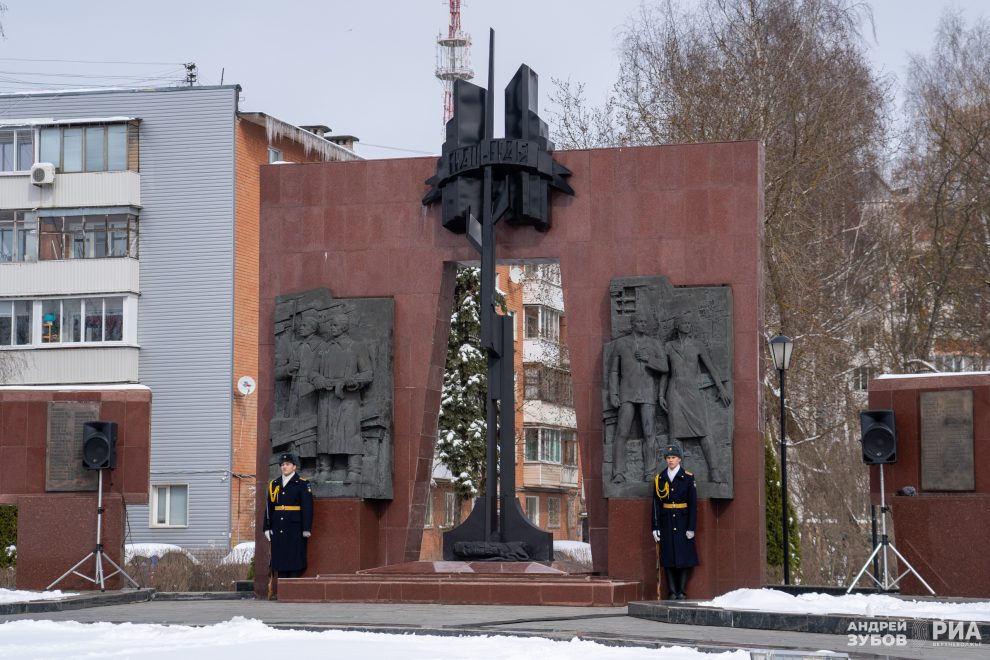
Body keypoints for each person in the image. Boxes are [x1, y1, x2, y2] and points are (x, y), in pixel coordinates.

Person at [659, 316, 731, 483]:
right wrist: (661, 395)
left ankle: (714, 471)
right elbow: (665, 372)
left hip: (692, 392)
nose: (688, 325)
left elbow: (711, 368)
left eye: (689, 322)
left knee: (704, 431)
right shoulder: (669, 346)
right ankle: (675, 474)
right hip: (674, 392)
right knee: (675, 435)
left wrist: (721, 388)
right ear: (677, 326)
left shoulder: (697, 345)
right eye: (684, 322)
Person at [312, 309, 374, 483]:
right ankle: (324, 470)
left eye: (335, 325)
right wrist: (317, 380)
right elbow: (312, 373)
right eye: (331, 325)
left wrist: (350, 382)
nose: (331, 328)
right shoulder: (324, 349)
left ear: (344, 327)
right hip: (325, 398)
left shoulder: (356, 347)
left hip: (347, 398)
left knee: (349, 432)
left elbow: (368, 373)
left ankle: (354, 471)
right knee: (325, 432)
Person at [608, 312, 668, 483]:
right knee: (622, 432)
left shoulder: (653, 344)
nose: (643, 324)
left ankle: (649, 472)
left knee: (650, 434)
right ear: (633, 324)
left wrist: (649, 360)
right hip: (627, 393)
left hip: (647, 393)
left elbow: (665, 367)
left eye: (644, 321)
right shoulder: (621, 343)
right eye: (640, 321)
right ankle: (618, 472)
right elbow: (613, 371)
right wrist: (613, 393)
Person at [651, 444, 698, 600]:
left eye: (673, 457)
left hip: (683, 521)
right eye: (668, 458)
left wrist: (691, 527)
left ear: (679, 459)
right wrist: (655, 527)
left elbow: (693, 505)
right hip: (666, 523)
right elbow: (656, 504)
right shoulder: (660, 479)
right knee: (668, 557)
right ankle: (672, 591)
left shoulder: (688, 477)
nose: (670, 460)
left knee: (684, 557)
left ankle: (682, 591)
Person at [263, 452, 314, 595]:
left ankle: (292, 591)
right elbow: (269, 508)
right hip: (278, 526)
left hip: (294, 527)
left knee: (294, 557)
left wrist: (306, 528)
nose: (284, 467)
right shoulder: (275, 484)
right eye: (282, 465)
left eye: (287, 464)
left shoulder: (302, 483)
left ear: (294, 467)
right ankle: (282, 592)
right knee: (280, 558)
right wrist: (266, 527)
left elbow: (308, 507)